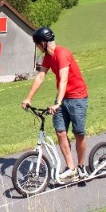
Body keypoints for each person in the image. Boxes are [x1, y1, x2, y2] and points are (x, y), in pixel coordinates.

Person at [20, 26, 90, 182]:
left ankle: (81, 166)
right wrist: (28, 98)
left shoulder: (62, 53)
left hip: (77, 97)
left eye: (38, 44)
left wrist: (57, 102)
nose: (37, 47)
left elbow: (64, 79)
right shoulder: (48, 58)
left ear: (43, 43)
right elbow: (40, 77)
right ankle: (71, 168)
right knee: (60, 132)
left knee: (79, 133)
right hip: (62, 99)